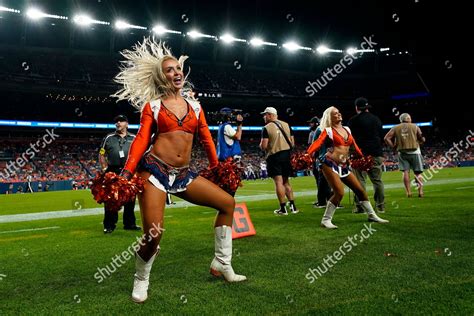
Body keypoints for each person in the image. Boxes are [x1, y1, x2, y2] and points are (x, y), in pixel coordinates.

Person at [111, 38, 246, 303]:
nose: (177, 73)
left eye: (178, 68)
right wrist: (127, 173)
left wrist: (217, 169)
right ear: (161, 77)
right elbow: (140, 140)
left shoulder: (195, 106)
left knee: (227, 203)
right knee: (154, 233)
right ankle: (141, 278)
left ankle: (222, 263)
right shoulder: (154, 106)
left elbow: (206, 139)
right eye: (170, 70)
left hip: (183, 175)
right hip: (154, 172)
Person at [307, 106, 389, 229]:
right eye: (335, 113)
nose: (339, 114)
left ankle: (372, 215)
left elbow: (354, 146)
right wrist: (307, 154)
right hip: (329, 163)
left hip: (344, 165)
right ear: (329, 117)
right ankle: (326, 219)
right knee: (339, 192)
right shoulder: (327, 130)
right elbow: (317, 143)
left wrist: (362, 157)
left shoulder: (347, 129)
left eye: (339, 112)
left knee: (360, 190)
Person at [99, 114, 141, 234]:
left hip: (129, 170)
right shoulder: (109, 137)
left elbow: (139, 153)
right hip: (112, 170)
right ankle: (109, 225)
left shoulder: (134, 137)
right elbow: (101, 153)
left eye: (121, 121)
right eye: (116, 121)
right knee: (111, 199)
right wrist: (104, 168)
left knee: (130, 198)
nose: (118, 123)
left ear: (127, 124)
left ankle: (129, 223)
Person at [347, 97, 386, 213]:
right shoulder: (376, 119)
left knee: (360, 181)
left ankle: (360, 207)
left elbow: (350, 139)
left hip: (360, 154)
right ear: (367, 107)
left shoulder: (353, 120)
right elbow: (381, 136)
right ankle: (380, 206)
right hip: (376, 153)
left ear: (356, 108)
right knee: (377, 181)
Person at [259, 107, 299, 215]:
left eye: (265, 114)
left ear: (270, 115)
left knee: (278, 182)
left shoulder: (266, 127)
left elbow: (264, 146)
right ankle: (293, 207)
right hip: (286, 155)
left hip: (274, 156)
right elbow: (292, 143)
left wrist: (261, 145)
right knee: (286, 182)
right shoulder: (286, 124)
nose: (264, 117)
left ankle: (283, 208)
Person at [384, 113, 425, 197]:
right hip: (415, 152)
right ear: (408, 118)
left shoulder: (396, 127)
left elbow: (386, 138)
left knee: (405, 172)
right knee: (418, 173)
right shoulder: (415, 126)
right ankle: (420, 192)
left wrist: (393, 147)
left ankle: (408, 192)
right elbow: (421, 138)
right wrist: (422, 140)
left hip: (402, 153)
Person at [216, 107, 243, 196]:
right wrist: (239, 124)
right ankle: (226, 206)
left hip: (224, 159)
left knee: (226, 185)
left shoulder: (221, 126)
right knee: (231, 186)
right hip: (229, 160)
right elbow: (238, 137)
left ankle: (225, 205)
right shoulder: (226, 126)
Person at [307, 116, 332, 208]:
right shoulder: (328, 129)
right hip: (329, 157)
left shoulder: (318, 130)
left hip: (323, 158)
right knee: (327, 180)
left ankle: (324, 201)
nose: (310, 124)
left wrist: (313, 157)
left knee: (322, 180)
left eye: (312, 123)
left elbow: (313, 146)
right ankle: (330, 200)